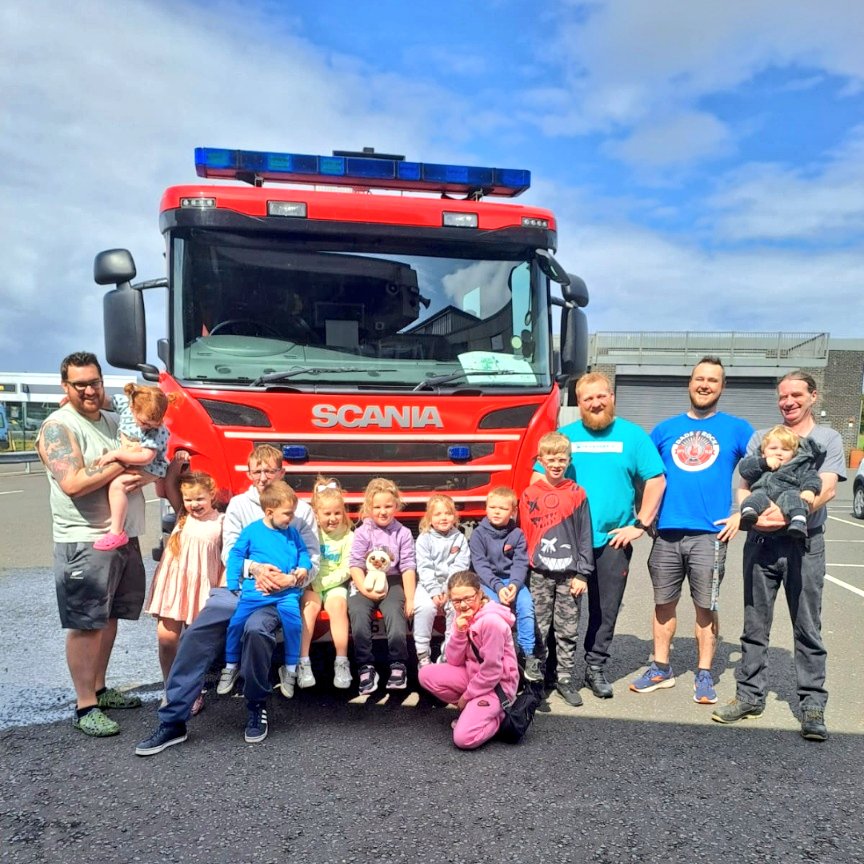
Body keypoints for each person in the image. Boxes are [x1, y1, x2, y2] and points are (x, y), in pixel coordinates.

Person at [135, 445, 320, 754]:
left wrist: (294, 577)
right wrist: (255, 568)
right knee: (197, 633)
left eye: (270, 470)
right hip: (240, 587)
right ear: (248, 474)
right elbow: (229, 551)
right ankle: (173, 722)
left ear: (282, 473)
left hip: (280, 592)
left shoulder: (300, 510)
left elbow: (313, 557)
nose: (263, 477)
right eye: (257, 471)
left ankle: (255, 705)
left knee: (257, 631)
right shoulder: (238, 506)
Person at [712, 371, 845, 741]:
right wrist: (748, 513)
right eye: (783, 396)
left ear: (813, 396)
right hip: (761, 542)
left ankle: (812, 703)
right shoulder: (761, 438)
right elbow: (743, 483)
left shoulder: (826, 439)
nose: (788, 402)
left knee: (807, 626)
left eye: (796, 395)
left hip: (805, 541)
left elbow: (828, 488)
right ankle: (749, 696)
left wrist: (787, 515)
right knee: (755, 624)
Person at [629, 357, 753, 705]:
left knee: (704, 605)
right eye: (700, 378)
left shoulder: (738, 429)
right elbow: (642, 473)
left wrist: (742, 514)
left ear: (721, 387)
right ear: (690, 383)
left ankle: (703, 673)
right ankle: (661, 668)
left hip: (709, 535)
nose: (705, 385)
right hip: (666, 532)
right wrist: (644, 513)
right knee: (663, 603)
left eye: (713, 380)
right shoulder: (665, 429)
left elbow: (764, 467)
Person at [535, 372, 666, 699]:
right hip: (565, 541)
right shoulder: (564, 437)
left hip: (612, 540)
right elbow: (536, 481)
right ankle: (553, 669)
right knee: (556, 609)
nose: (594, 403)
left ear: (612, 397)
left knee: (605, 609)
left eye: (600, 396)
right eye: (587, 398)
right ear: (578, 403)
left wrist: (640, 523)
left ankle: (595, 667)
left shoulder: (632, 437)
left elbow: (656, 480)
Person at [37, 351, 147, 737]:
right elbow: (74, 482)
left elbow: (147, 449)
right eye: (80, 384)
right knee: (85, 624)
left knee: (110, 617)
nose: (89, 390)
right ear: (65, 387)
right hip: (85, 540)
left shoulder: (114, 421)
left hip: (123, 536)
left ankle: (100, 687)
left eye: (94, 382)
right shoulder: (58, 427)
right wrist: (124, 460)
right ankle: (85, 706)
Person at [218, 481, 311, 704]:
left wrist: (303, 568)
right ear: (269, 512)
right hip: (254, 592)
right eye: (287, 514)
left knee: (294, 625)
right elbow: (236, 555)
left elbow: (303, 553)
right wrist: (233, 583)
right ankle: (230, 665)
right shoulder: (251, 531)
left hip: (287, 593)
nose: (291, 518)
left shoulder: (292, 533)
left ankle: (289, 669)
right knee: (235, 625)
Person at [519, 432, 594, 707]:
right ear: (541, 460)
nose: (556, 463)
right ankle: (534, 680)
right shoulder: (529, 494)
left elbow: (585, 534)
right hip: (538, 572)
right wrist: (522, 569)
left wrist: (583, 573)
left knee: (567, 628)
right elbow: (524, 533)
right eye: (550, 458)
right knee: (537, 626)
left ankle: (563, 678)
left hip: (569, 575)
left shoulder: (577, 493)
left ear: (569, 461)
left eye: (562, 459)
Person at [145, 471, 224, 710]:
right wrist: (177, 464)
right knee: (167, 638)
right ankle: (170, 687)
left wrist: (219, 590)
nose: (194, 504)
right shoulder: (182, 514)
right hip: (174, 582)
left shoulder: (222, 521)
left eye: (199, 499)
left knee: (194, 643)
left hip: (202, 587)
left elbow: (229, 555)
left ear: (212, 495)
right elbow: (169, 484)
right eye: (189, 500)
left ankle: (192, 690)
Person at [418, 570, 520, 750]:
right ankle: (475, 712)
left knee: (463, 739)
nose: (463, 605)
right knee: (426, 674)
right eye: (456, 601)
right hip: (474, 676)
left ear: (480, 594)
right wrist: (459, 631)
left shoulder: (491, 622)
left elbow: (492, 672)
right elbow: (454, 660)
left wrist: (466, 696)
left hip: (498, 686)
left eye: (468, 598)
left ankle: (498, 716)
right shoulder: (463, 615)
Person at [348, 477, 417, 695]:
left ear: (396, 505)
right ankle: (365, 666)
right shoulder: (362, 532)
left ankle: (398, 664)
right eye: (377, 507)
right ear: (368, 507)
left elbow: (407, 567)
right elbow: (355, 564)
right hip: (364, 579)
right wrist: (363, 588)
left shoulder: (403, 533)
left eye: (388, 506)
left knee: (395, 612)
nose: (383, 511)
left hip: (393, 579)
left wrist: (411, 598)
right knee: (358, 612)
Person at [92, 383, 180, 551]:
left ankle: (117, 532)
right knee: (164, 491)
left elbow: (146, 457)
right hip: (135, 458)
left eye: (155, 423)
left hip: (151, 466)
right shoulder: (125, 404)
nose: (149, 427)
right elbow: (105, 401)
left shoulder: (157, 430)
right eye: (145, 423)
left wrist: (117, 454)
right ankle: (181, 517)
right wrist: (73, 403)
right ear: (132, 407)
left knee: (118, 486)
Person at [469, 486, 542, 682]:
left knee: (526, 607)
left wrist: (514, 585)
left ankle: (528, 655)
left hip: (512, 582)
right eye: (492, 507)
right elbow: (480, 566)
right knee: (496, 613)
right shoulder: (478, 534)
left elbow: (520, 562)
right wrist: (499, 588)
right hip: (488, 582)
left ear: (513, 511)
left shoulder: (517, 534)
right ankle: (498, 656)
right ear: (486, 508)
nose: (497, 511)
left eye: (502, 508)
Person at [297, 478, 354, 690]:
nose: (333, 518)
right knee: (309, 608)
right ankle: (303, 662)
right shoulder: (311, 535)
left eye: (337, 513)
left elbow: (348, 568)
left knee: (338, 607)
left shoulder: (349, 537)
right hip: (311, 583)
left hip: (333, 583)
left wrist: (322, 583)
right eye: (327, 514)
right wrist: (313, 582)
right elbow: (304, 558)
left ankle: (341, 661)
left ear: (344, 512)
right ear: (316, 515)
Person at [413, 494, 471, 666]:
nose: (443, 517)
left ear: (454, 516)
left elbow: (461, 565)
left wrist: (447, 589)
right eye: (438, 514)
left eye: (448, 513)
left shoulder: (459, 538)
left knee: (456, 609)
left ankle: (448, 653)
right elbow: (424, 567)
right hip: (427, 584)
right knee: (424, 608)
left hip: (452, 586)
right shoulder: (424, 539)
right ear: (429, 518)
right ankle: (422, 653)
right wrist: (433, 591)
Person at [738, 426, 822, 538]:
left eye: (785, 450)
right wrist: (764, 463)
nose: (779, 453)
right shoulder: (758, 461)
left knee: (794, 499)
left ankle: (798, 522)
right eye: (773, 448)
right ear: (763, 452)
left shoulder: (798, 465)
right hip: (762, 491)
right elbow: (744, 469)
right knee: (755, 497)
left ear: (793, 454)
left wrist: (810, 490)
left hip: (787, 491)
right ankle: (749, 515)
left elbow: (811, 476)